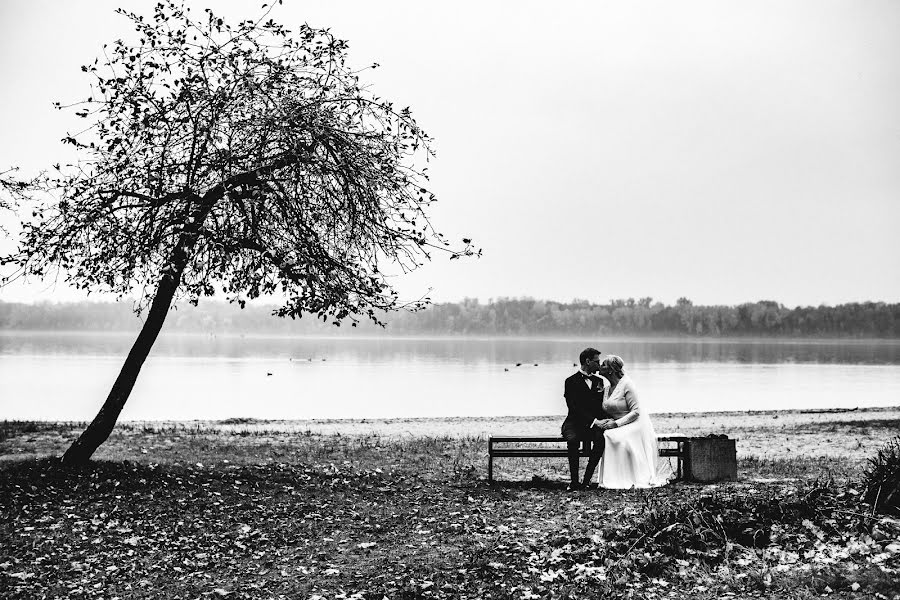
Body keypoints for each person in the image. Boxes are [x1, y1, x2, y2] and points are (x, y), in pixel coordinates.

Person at [597, 355, 668, 489]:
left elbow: (636, 412)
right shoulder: (606, 389)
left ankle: (624, 477)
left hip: (635, 423)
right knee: (607, 434)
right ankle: (612, 477)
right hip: (617, 422)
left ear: (611, 370)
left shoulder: (627, 384)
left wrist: (616, 424)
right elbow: (607, 409)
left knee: (612, 435)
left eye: (604, 365)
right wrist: (607, 420)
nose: (600, 366)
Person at [561, 347, 615, 491]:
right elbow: (573, 408)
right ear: (587, 361)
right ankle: (574, 482)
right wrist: (594, 421)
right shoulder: (570, 381)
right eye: (597, 362)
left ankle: (586, 480)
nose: (599, 365)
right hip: (574, 422)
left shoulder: (599, 381)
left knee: (600, 441)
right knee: (572, 441)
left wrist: (606, 420)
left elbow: (600, 406)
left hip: (593, 423)